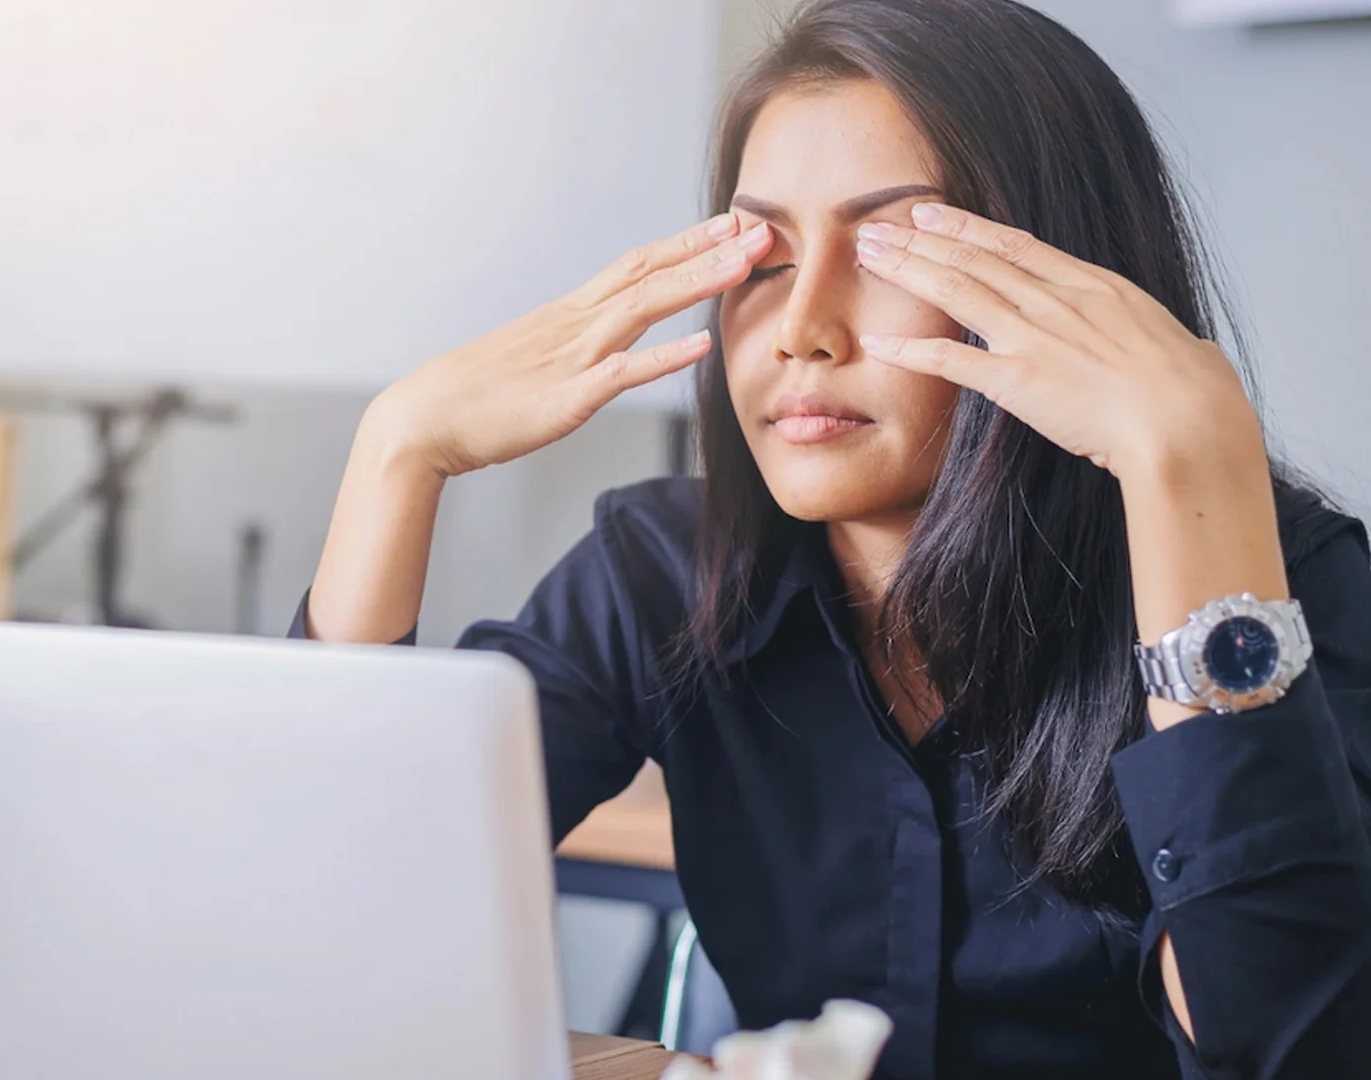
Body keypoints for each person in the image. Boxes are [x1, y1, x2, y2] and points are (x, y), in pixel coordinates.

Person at [288, 0, 1371, 1076]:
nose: (801, 326)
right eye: (759, 260)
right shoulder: (662, 573)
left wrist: (1195, 470)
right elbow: (323, 934)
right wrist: (398, 452)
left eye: (892, 251)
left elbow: (1282, 1053)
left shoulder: (1286, 584)